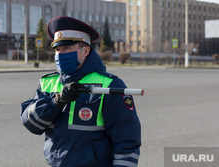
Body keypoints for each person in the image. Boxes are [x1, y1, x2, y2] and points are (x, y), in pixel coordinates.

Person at [20, 16, 141, 167]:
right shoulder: (48, 83)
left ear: (85, 51)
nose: (60, 55)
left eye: (67, 48)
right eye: (57, 49)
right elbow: (31, 124)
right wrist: (56, 102)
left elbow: (127, 140)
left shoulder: (109, 85)